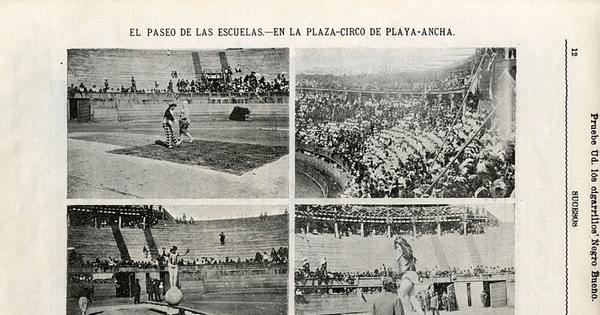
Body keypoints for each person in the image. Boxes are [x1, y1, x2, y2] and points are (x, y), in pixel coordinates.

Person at [394, 236, 425, 315]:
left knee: (400, 296)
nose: (397, 249)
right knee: (412, 298)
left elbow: (407, 251)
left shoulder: (406, 253)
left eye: (398, 247)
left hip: (409, 275)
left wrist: (400, 244)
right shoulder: (403, 255)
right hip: (409, 275)